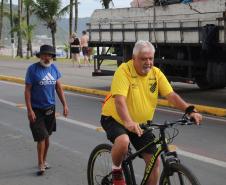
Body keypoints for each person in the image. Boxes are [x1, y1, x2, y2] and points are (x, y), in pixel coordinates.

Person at [101, 40, 202, 185]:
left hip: (140, 124)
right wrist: (128, 122)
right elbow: (120, 101)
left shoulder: (156, 73)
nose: (148, 62)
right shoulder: (124, 71)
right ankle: (117, 170)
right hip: (115, 118)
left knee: (154, 163)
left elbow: (171, 95)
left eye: (150, 58)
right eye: (143, 59)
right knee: (123, 141)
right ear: (134, 58)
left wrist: (189, 110)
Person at [24, 44, 69, 176]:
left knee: (47, 137)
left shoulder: (54, 69)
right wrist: (29, 110)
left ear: (52, 57)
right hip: (36, 109)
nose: (47, 57)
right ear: (40, 56)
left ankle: (44, 160)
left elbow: (59, 88)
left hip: (50, 109)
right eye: (44, 55)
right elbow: (27, 90)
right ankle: (40, 164)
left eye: (49, 55)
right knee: (42, 137)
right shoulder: (32, 70)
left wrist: (65, 105)